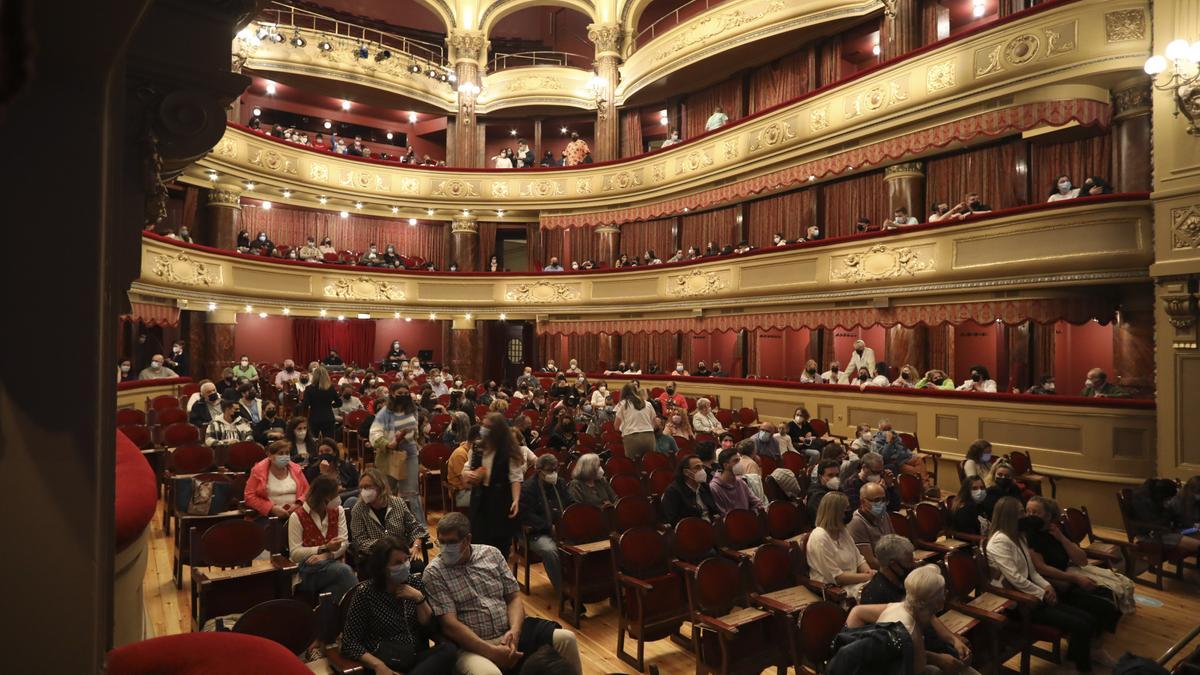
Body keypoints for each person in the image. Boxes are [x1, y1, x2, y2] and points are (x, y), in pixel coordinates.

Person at [423, 513, 583, 674]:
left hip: (509, 632)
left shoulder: (491, 554)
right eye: (441, 542)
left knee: (566, 639)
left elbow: (513, 598)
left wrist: (514, 632)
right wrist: (492, 652)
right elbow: (450, 626)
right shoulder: (434, 572)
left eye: (451, 542)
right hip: (471, 645)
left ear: (467, 539)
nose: (445, 549)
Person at [987, 497, 1103, 673]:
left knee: (1088, 619)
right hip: (1018, 602)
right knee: (1081, 624)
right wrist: (1042, 593)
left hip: (1033, 593)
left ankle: (1075, 662)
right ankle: (1081, 668)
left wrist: (1047, 587)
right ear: (1010, 516)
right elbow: (1015, 578)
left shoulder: (1019, 536)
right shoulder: (999, 541)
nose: (1026, 516)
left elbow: (1031, 571)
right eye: (1021, 512)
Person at [339, 535, 459, 675]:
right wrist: (378, 665)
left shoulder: (414, 584)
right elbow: (349, 643)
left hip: (414, 658)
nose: (404, 565)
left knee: (449, 650)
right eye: (397, 563)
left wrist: (419, 599)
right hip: (385, 663)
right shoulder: (365, 594)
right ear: (382, 567)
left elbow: (430, 627)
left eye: (406, 560)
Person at [849, 564, 979, 675]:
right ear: (937, 602)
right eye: (943, 591)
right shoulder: (911, 633)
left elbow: (857, 611)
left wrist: (954, 640)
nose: (946, 594)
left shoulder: (900, 606)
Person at [1024, 495, 1133, 620]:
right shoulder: (1030, 535)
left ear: (1048, 516)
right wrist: (1076, 579)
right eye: (1027, 511)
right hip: (1056, 581)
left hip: (1070, 572)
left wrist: (1061, 538)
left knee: (1114, 590)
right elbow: (1042, 568)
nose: (1029, 516)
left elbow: (1082, 560)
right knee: (1104, 604)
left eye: (1035, 513)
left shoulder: (1056, 530)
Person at [288, 475, 357, 603]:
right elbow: (295, 553)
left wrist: (327, 555)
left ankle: (328, 619)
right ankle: (361, 611)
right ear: (326, 499)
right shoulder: (296, 516)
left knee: (336, 590)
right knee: (345, 572)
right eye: (336, 494)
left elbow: (344, 542)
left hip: (333, 565)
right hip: (307, 571)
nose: (339, 498)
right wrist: (322, 548)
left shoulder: (338, 511)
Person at [463, 413, 525, 552]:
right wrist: (468, 474)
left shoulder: (508, 451)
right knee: (478, 541)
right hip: (480, 499)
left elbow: (515, 478)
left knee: (499, 543)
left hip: (500, 500)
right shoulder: (477, 447)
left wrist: (516, 500)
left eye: (488, 427)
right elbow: (467, 468)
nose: (484, 429)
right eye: (484, 425)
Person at [369, 383, 425, 524]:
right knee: (388, 492)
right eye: (400, 393)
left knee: (411, 493)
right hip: (390, 454)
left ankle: (420, 530)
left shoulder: (412, 410)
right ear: (393, 394)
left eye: (407, 392)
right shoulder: (384, 413)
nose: (404, 396)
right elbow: (374, 433)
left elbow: (416, 430)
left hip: (410, 453)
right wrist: (388, 443)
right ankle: (388, 526)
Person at [519, 455, 574, 593]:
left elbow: (570, 503)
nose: (553, 474)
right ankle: (563, 590)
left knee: (581, 546)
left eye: (555, 470)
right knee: (550, 551)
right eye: (550, 470)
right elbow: (526, 516)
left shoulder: (560, 483)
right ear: (539, 471)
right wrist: (548, 526)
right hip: (535, 533)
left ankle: (578, 584)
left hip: (562, 529)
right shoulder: (528, 488)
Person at [350, 467, 428, 561]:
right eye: (361, 488)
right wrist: (388, 548)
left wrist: (416, 546)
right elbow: (360, 541)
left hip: (402, 556)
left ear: (380, 486)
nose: (363, 491)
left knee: (419, 567)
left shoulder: (398, 503)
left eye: (367, 487)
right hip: (376, 558)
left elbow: (415, 528)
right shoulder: (358, 510)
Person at [807, 491, 874, 599]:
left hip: (857, 581)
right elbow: (837, 577)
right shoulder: (819, 537)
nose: (849, 512)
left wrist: (868, 571)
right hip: (837, 590)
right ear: (835, 512)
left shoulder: (842, 531)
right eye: (846, 509)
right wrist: (867, 577)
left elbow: (859, 560)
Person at [244, 440, 310, 518]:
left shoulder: (297, 469)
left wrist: (298, 504)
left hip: (296, 515)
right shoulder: (257, 471)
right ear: (270, 456)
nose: (285, 456)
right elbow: (249, 496)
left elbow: (308, 491)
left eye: (287, 453)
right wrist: (271, 508)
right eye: (281, 453)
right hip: (269, 517)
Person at [847, 482, 895, 569]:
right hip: (878, 570)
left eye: (883, 500)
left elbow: (895, 543)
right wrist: (895, 568)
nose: (882, 503)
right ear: (863, 501)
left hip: (891, 563)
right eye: (877, 500)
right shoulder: (856, 522)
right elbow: (870, 561)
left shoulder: (884, 515)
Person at [662, 454, 719, 525]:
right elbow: (673, 520)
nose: (702, 471)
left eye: (702, 467)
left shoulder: (704, 486)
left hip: (711, 525)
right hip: (691, 529)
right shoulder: (673, 491)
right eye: (697, 467)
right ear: (686, 472)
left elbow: (714, 509)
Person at [709, 448, 764, 516]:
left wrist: (755, 511)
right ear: (725, 465)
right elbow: (722, 513)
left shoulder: (740, 481)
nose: (740, 463)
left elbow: (757, 502)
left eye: (739, 460)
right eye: (736, 461)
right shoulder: (715, 487)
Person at [615, 383, 656, 461]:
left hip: (632, 437)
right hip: (649, 437)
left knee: (633, 465)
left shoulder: (623, 404)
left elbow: (616, 426)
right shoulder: (648, 404)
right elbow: (654, 423)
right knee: (649, 463)